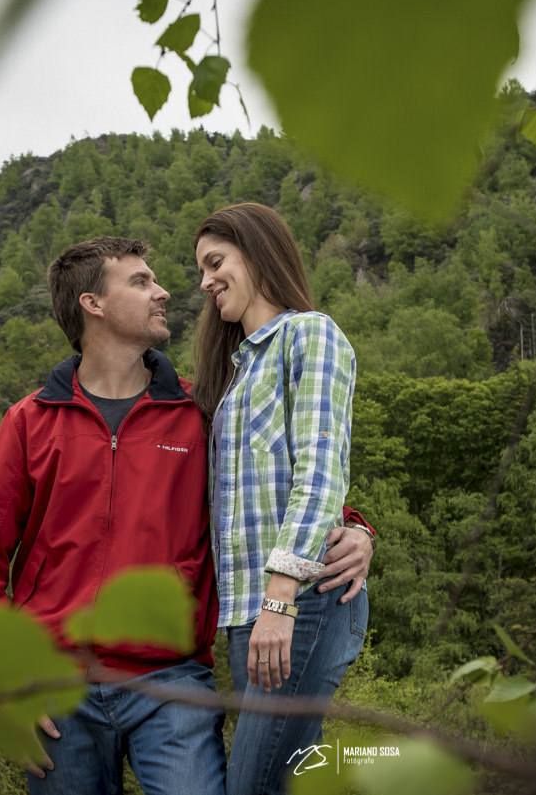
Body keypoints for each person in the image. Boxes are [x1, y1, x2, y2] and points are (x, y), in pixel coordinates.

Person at [0, 236, 374, 795]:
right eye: (141, 281)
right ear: (93, 304)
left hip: (172, 682)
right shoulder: (31, 421)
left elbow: (274, 480)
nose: (165, 291)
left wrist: (359, 529)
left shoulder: (198, 411)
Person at [193, 203, 371, 795]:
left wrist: (282, 598)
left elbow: (320, 470)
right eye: (201, 269)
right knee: (284, 781)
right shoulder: (235, 377)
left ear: (257, 253)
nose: (205, 281)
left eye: (216, 262)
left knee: (253, 785)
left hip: (299, 601)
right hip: (249, 612)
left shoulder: (309, 333)